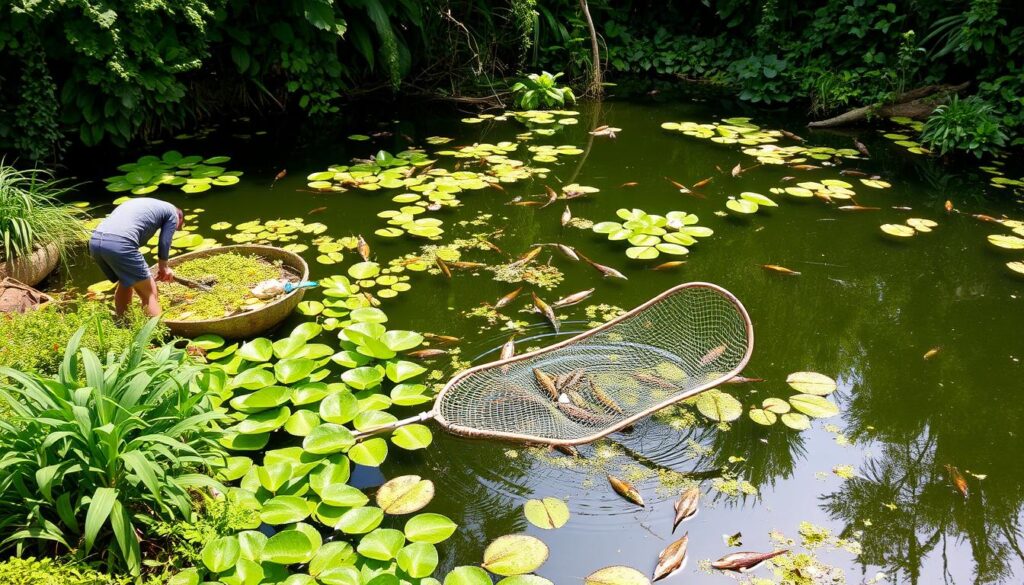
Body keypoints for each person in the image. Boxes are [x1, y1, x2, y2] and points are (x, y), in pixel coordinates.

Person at [89, 197, 184, 317]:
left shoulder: (146, 203)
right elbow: (165, 241)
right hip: (120, 244)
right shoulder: (172, 213)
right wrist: (163, 267)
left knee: (125, 282)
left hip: (95, 241)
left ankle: (124, 324)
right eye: (177, 227)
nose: (175, 229)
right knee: (149, 293)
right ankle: (157, 333)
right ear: (179, 217)